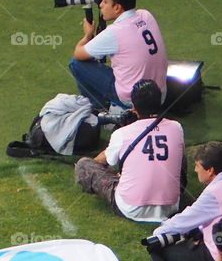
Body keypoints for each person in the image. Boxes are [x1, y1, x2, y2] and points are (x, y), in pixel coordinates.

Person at [73, 79, 185, 222]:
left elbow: (103, 161)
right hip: (171, 206)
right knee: (178, 150)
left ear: (133, 107)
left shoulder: (122, 134)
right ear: (160, 101)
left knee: (84, 165)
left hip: (131, 208)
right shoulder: (177, 128)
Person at [68, 0, 167, 113]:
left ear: (117, 8)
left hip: (132, 100)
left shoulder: (114, 32)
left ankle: (100, 109)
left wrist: (87, 35)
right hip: (159, 95)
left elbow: (79, 54)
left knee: (76, 64)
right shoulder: (146, 15)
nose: (100, 5)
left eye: (105, 1)